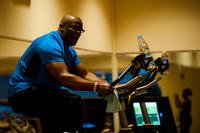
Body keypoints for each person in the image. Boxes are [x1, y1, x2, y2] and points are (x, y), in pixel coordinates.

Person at [8, 15, 113, 133]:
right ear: (61, 27)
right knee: (72, 101)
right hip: (21, 93)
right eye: (74, 28)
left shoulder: (69, 51)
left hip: (43, 91)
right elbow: (63, 77)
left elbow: (84, 74)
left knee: (63, 103)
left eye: (80, 29)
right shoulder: (49, 44)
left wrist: (105, 83)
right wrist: (97, 86)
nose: (77, 32)